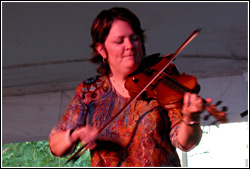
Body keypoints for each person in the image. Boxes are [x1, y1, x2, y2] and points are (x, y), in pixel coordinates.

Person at [49, 7, 212, 167]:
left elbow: (185, 143)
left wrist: (191, 118)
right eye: (120, 41)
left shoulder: (162, 80)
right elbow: (56, 146)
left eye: (134, 38)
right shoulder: (90, 91)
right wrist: (75, 134)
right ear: (102, 50)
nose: (130, 45)